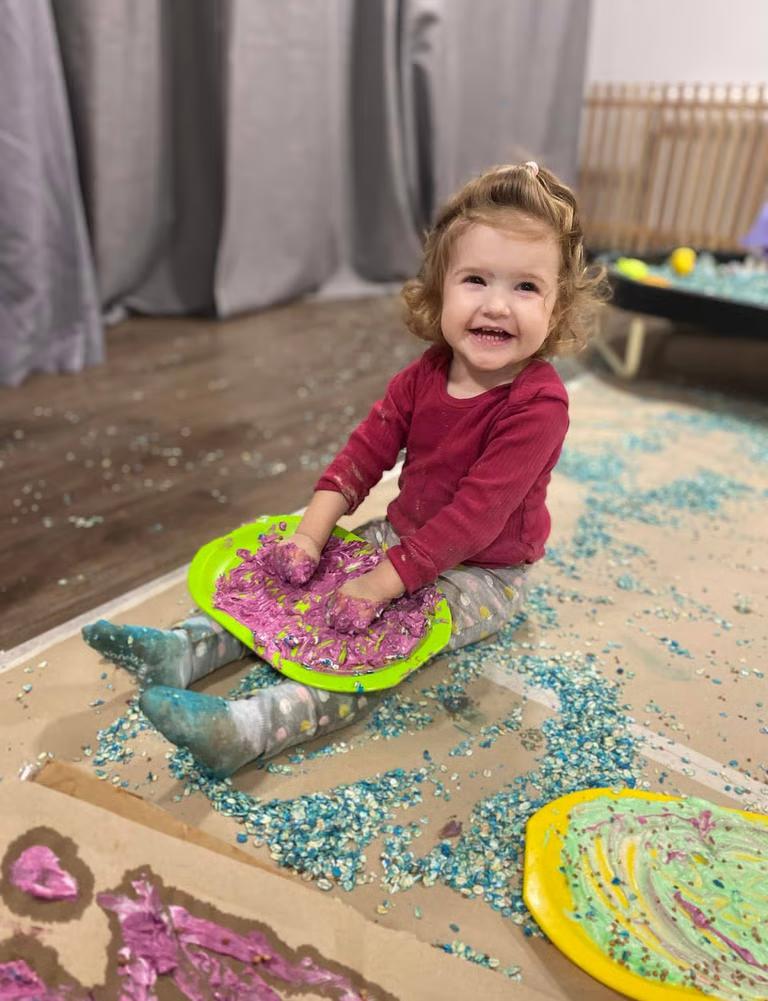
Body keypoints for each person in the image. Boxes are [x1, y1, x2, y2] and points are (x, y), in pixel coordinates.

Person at [82, 161, 604, 779]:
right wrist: (311, 535)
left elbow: (474, 519)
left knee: (373, 648)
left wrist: (381, 585)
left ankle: (247, 729)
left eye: (526, 288)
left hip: (483, 572)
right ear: (439, 288)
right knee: (298, 583)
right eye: (475, 280)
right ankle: (184, 651)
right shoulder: (425, 374)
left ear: (557, 307)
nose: (496, 305)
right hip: (405, 538)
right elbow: (363, 456)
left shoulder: (537, 406)